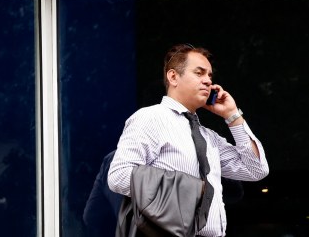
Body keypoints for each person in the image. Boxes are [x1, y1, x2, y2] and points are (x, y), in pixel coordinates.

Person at [107, 44, 269, 237]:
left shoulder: (208, 137)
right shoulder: (151, 118)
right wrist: (184, 191)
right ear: (173, 76)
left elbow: (255, 170)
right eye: (199, 73)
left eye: (209, 75)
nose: (208, 81)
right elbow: (119, 176)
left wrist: (232, 115)